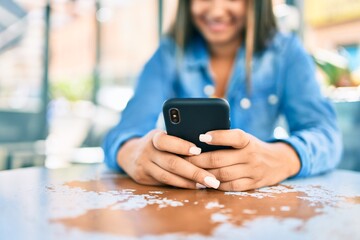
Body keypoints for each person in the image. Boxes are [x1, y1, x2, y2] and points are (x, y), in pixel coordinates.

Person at [102, 0, 342, 191]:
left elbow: (327, 135)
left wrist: (284, 158)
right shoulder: (168, 54)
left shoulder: (287, 52)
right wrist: (132, 153)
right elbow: (123, 133)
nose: (216, 10)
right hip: (185, 207)